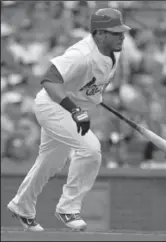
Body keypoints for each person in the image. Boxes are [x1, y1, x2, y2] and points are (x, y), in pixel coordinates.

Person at [7, 8, 130, 232]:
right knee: (91, 149)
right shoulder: (81, 54)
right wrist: (75, 110)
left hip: (73, 105)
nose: (122, 36)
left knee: (50, 162)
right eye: (115, 32)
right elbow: (49, 80)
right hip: (53, 106)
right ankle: (68, 208)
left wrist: (92, 95)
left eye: (122, 31)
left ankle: (21, 205)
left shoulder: (115, 50)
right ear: (100, 34)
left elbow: (98, 79)